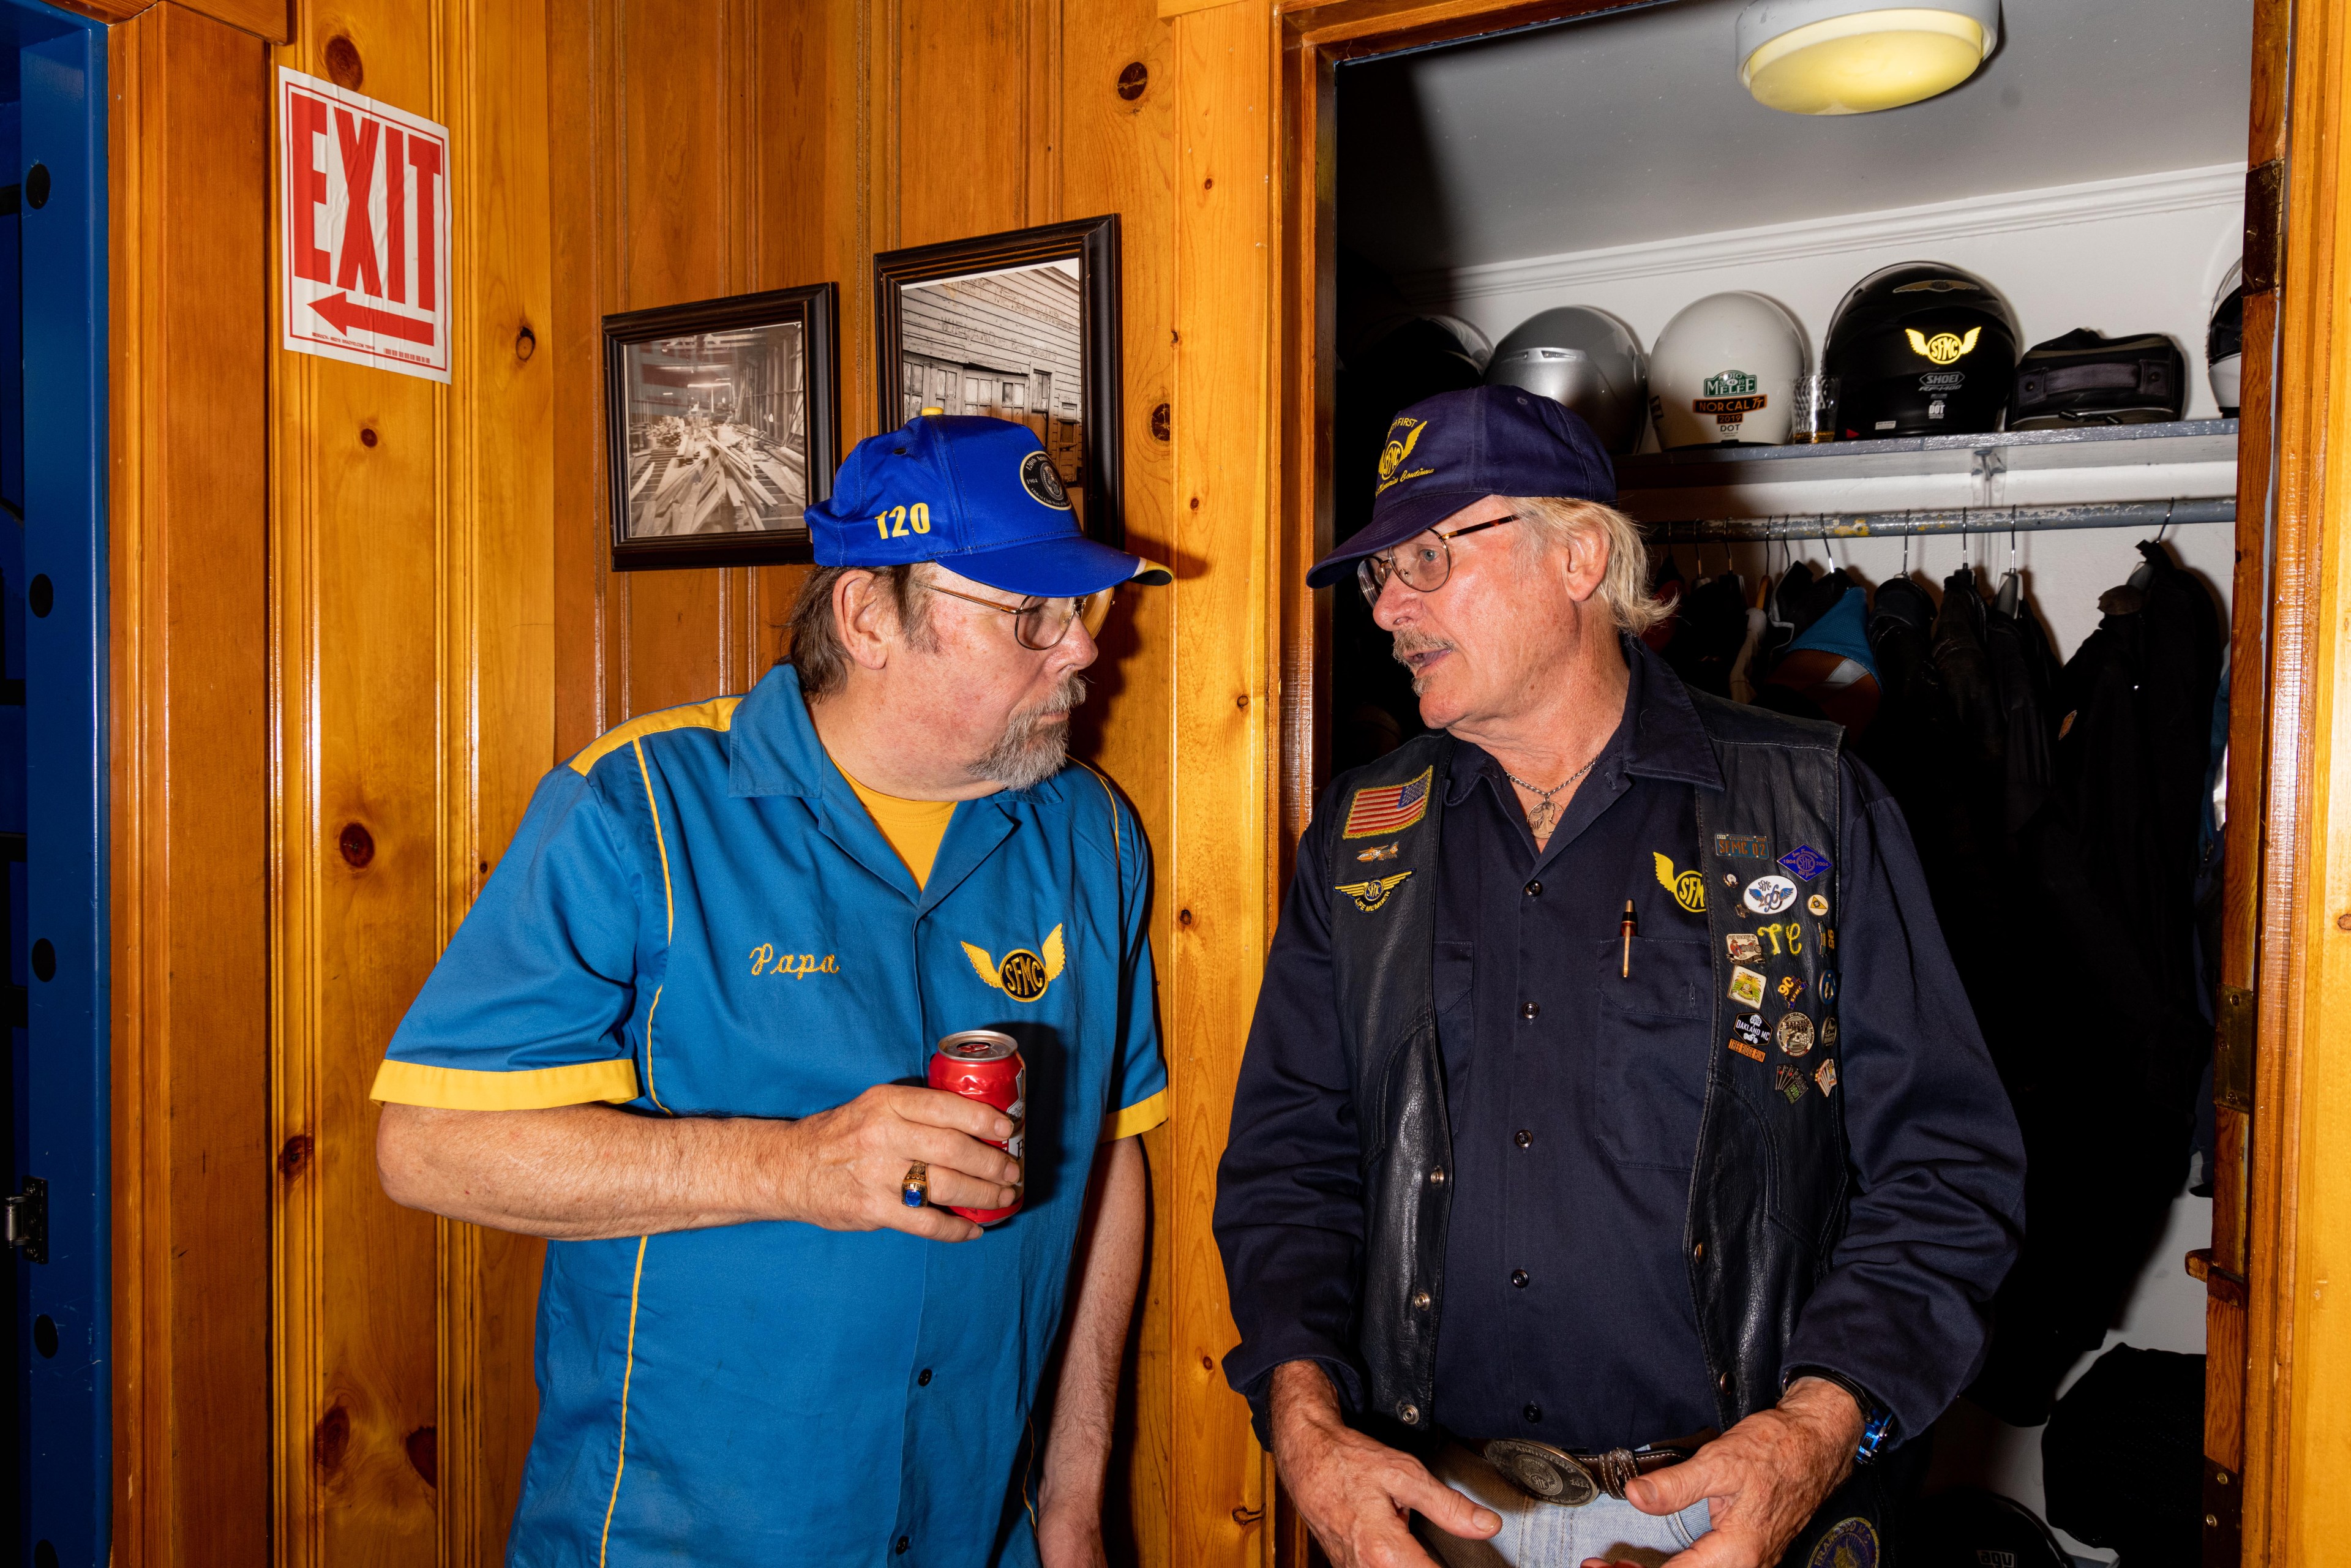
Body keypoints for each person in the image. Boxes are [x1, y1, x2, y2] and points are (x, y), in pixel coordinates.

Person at [1214, 385, 2025, 1568]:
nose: (1387, 604)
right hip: (1436, 1514)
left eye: (1428, 556)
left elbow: (1949, 1172)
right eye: (1381, 570)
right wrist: (1305, 1426)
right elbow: (1290, 1162)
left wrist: (1809, 1436)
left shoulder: (1805, 809)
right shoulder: (1359, 838)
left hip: (1726, 1513)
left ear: (1580, 554)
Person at [373, 415, 1172, 1568]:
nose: (1083, 649)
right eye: (1032, 616)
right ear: (868, 619)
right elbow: (428, 1145)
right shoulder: (636, 806)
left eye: (1084, 610)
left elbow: (1105, 1157)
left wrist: (1075, 1503)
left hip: (973, 1535)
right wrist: (789, 1167)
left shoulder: (1090, 831)